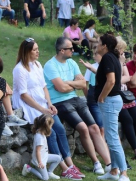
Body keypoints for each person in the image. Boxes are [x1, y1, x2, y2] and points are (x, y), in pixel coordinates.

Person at [12, 38, 83, 181]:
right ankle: (64, 169)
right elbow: (24, 95)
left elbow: (44, 86)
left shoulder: (37, 65)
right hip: (30, 106)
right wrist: (41, 109)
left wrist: (49, 104)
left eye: (38, 49)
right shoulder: (20, 69)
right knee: (50, 133)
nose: (38, 52)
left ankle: (70, 164)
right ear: (27, 52)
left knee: (61, 130)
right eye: (35, 50)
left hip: (43, 104)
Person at [44, 36, 111, 173]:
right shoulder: (50, 65)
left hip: (75, 99)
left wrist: (67, 83)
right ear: (62, 50)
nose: (73, 50)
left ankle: (109, 163)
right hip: (60, 102)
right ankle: (96, 162)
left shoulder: (72, 63)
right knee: (83, 128)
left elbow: (82, 84)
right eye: (70, 48)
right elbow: (60, 89)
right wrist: (73, 84)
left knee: (94, 127)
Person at [94, 34, 131, 181]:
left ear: (104, 46)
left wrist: (101, 97)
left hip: (109, 101)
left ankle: (124, 174)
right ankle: (114, 171)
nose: (96, 44)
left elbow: (111, 81)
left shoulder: (108, 58)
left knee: (113, 139)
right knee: (111, 137)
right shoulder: (112, 57)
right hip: (112, 101)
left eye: (99, 42)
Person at [22, 115, 62, 181]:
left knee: (58, 158)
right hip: (39, 160)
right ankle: (28, 168)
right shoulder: (39, 137)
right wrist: (40, 162)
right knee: (45, 178)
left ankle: (49, 172)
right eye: (51, 125)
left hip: (44, 156)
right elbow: (38, 151)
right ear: (47, 126)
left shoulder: (40, 132)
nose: (51, 127)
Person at [79, 49, 104, 137]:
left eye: (95, 54)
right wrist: (88, 96)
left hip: (105, 99)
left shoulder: (107, 66)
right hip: (93, 99)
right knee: (100, 124)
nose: (93, 56)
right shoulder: (91, 67)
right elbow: (84, 84)